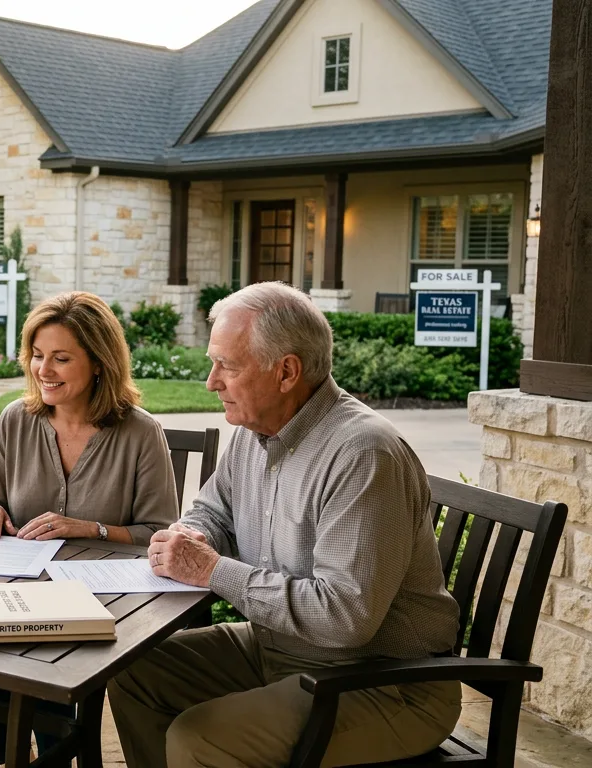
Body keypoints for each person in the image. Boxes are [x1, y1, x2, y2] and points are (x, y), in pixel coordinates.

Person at [108, 282, 462, 768]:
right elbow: (213, 511)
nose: (212, 382)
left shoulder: (363, 453)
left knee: (199, 738)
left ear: (287, 371)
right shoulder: (255, 432)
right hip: (281, 651)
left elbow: (345, 617)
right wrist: (194, 537)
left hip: (386, 683)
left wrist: (212, 571)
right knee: (134, 670)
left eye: (227, 366)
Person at [0, 291, 181, 765]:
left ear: (99, 363)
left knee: (33, 655)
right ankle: (20, 750)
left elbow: (160, 532)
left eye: (61, 358)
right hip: (20, 589)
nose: (44, 369)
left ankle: (44, 747)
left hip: (106, 601)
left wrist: (88, 528)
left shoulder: (141, 434)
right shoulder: (16, 420)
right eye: (37, 356)